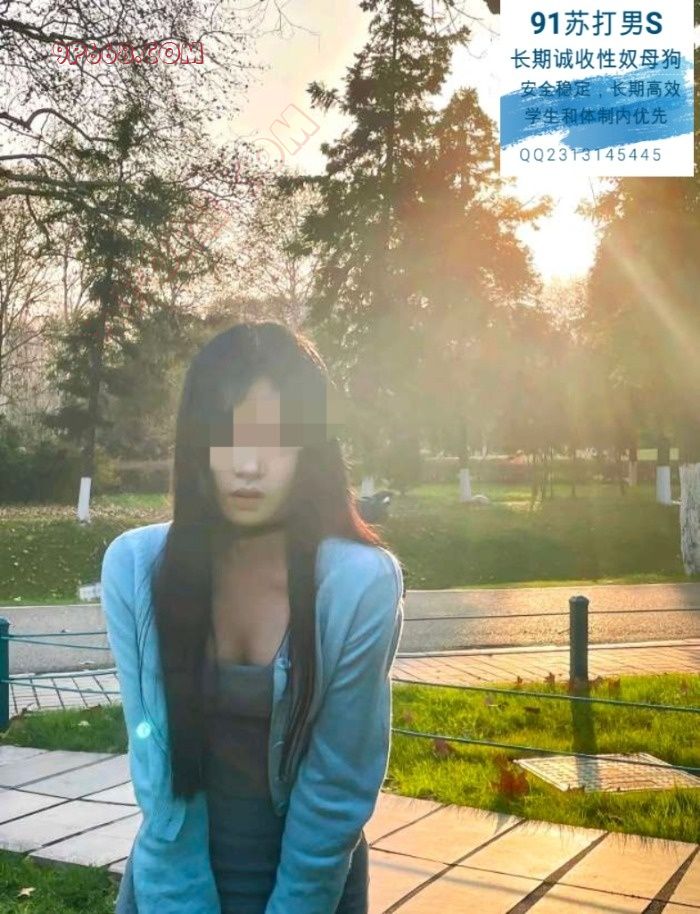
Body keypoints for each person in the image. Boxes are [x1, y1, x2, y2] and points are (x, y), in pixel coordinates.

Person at [101, 321, 405, 914]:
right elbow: (159, 781)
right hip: (169, 880)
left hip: (310, 886)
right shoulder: (136, 567)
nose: (247, 465)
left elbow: (337, 789)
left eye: (275, 439)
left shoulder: (358, 584)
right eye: (227, 436)